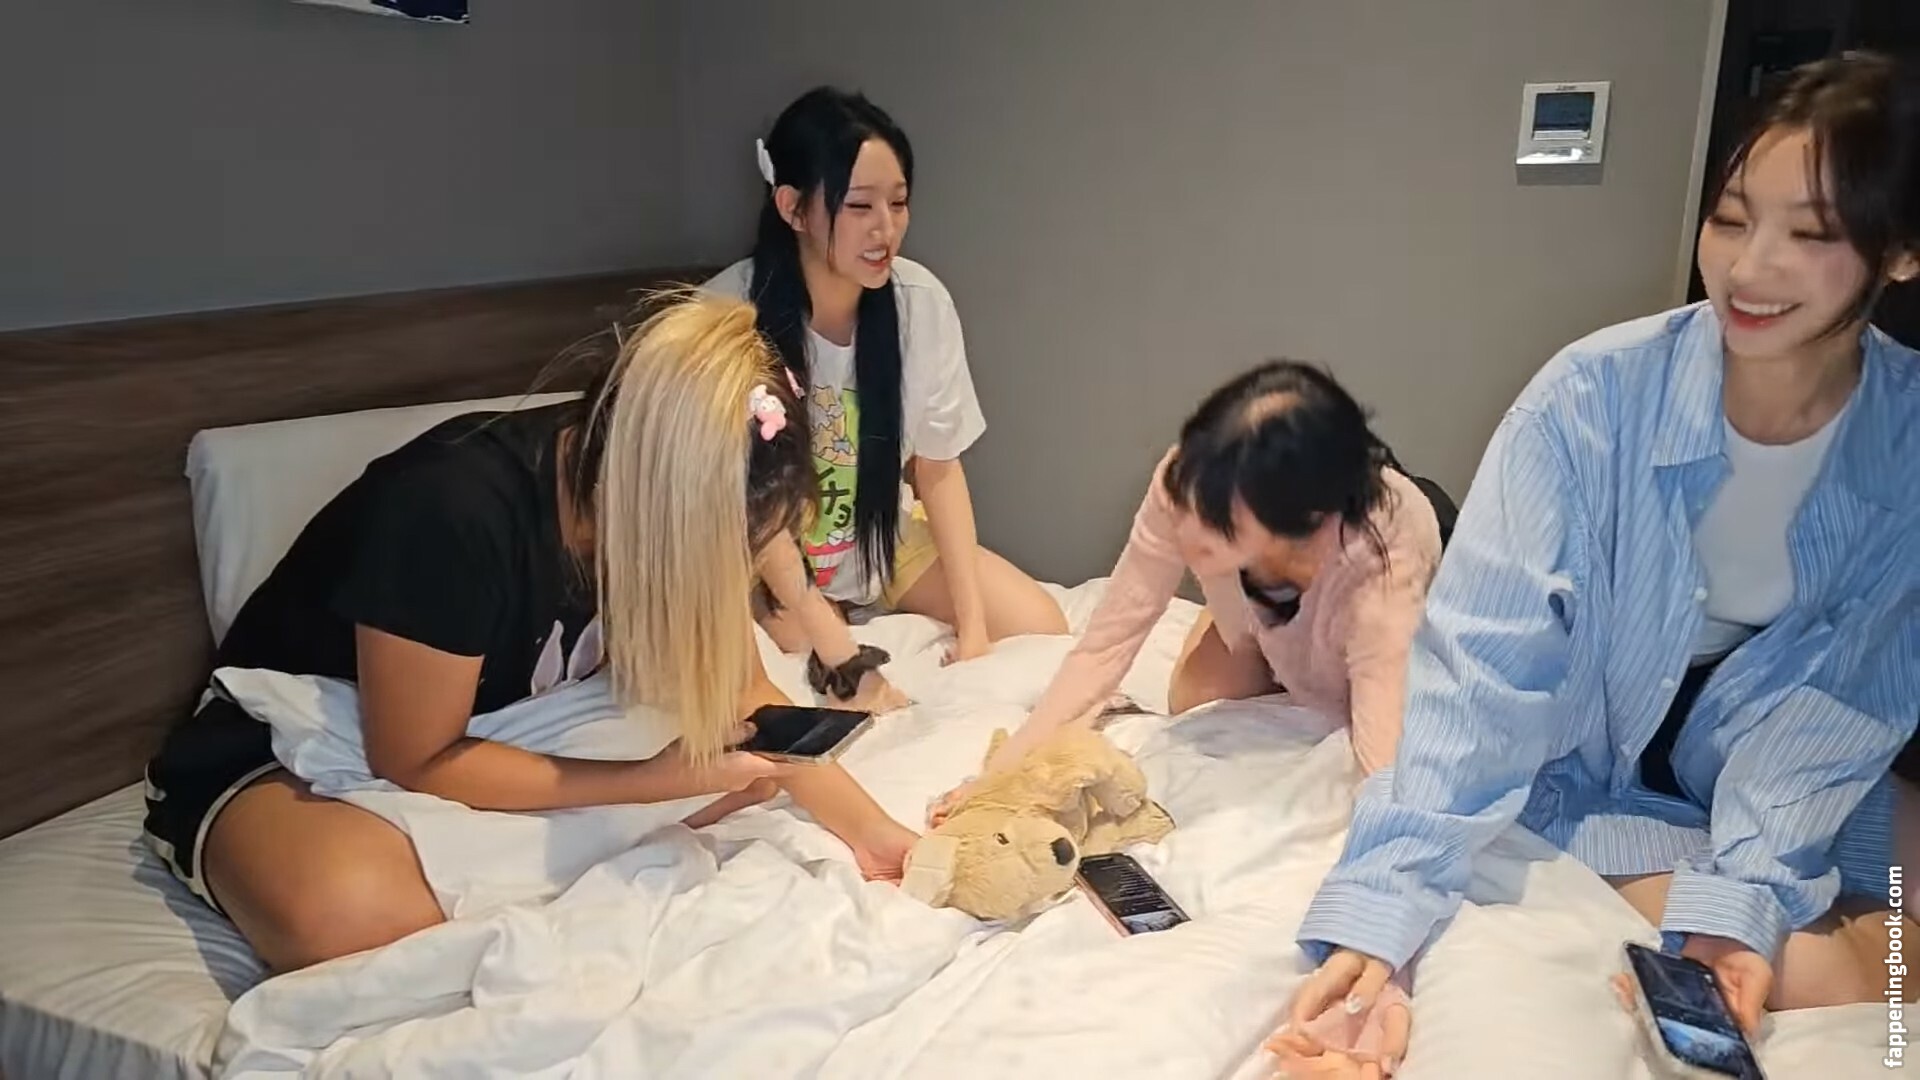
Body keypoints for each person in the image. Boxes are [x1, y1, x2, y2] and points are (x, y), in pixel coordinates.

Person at [1278, 53, 1920, 1076]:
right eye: (1730, 219)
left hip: (1781, 759)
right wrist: (1381, 918)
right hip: (1591, 765)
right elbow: (1481, 673)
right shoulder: (1590, 398)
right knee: (1832, 972)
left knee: (1851, 931)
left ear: (1901, 252)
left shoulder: (1907, 437)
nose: (1750, 268)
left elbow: (1839, 708)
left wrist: (1750, 888)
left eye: (1812, 233)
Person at [141, 294, 920, 973]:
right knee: (346, 912)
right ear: (644, 498)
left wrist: (874, 832)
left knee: (742, 776)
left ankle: (596, 829)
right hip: (295, 730)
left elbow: (745, 696)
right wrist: (652, 783)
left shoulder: (695, 482)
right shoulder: (450, 510)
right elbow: (414, 756)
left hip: (498, 716)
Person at [937, 360, 1444, 819]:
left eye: (1219, 523)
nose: (1187, 532)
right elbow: (1106, 643)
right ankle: (1253, 629)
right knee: (1196, 697)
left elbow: (1383, 761)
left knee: (1364, 719)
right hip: (1266, 612)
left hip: (1374, 623)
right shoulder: (1183, 483)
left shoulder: (1385, 557)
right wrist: (997, 777)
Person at [705, 87, 1068, 713]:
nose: (886, 228)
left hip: (880, 537)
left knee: (1041, 625)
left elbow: (938, 466)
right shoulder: (724, 318)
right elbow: (723, 508)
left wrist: (973, 630)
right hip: (766, 556)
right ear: (792, 207)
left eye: (898, 203)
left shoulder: (918, 303)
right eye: (859, 206)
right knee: (792, 656)